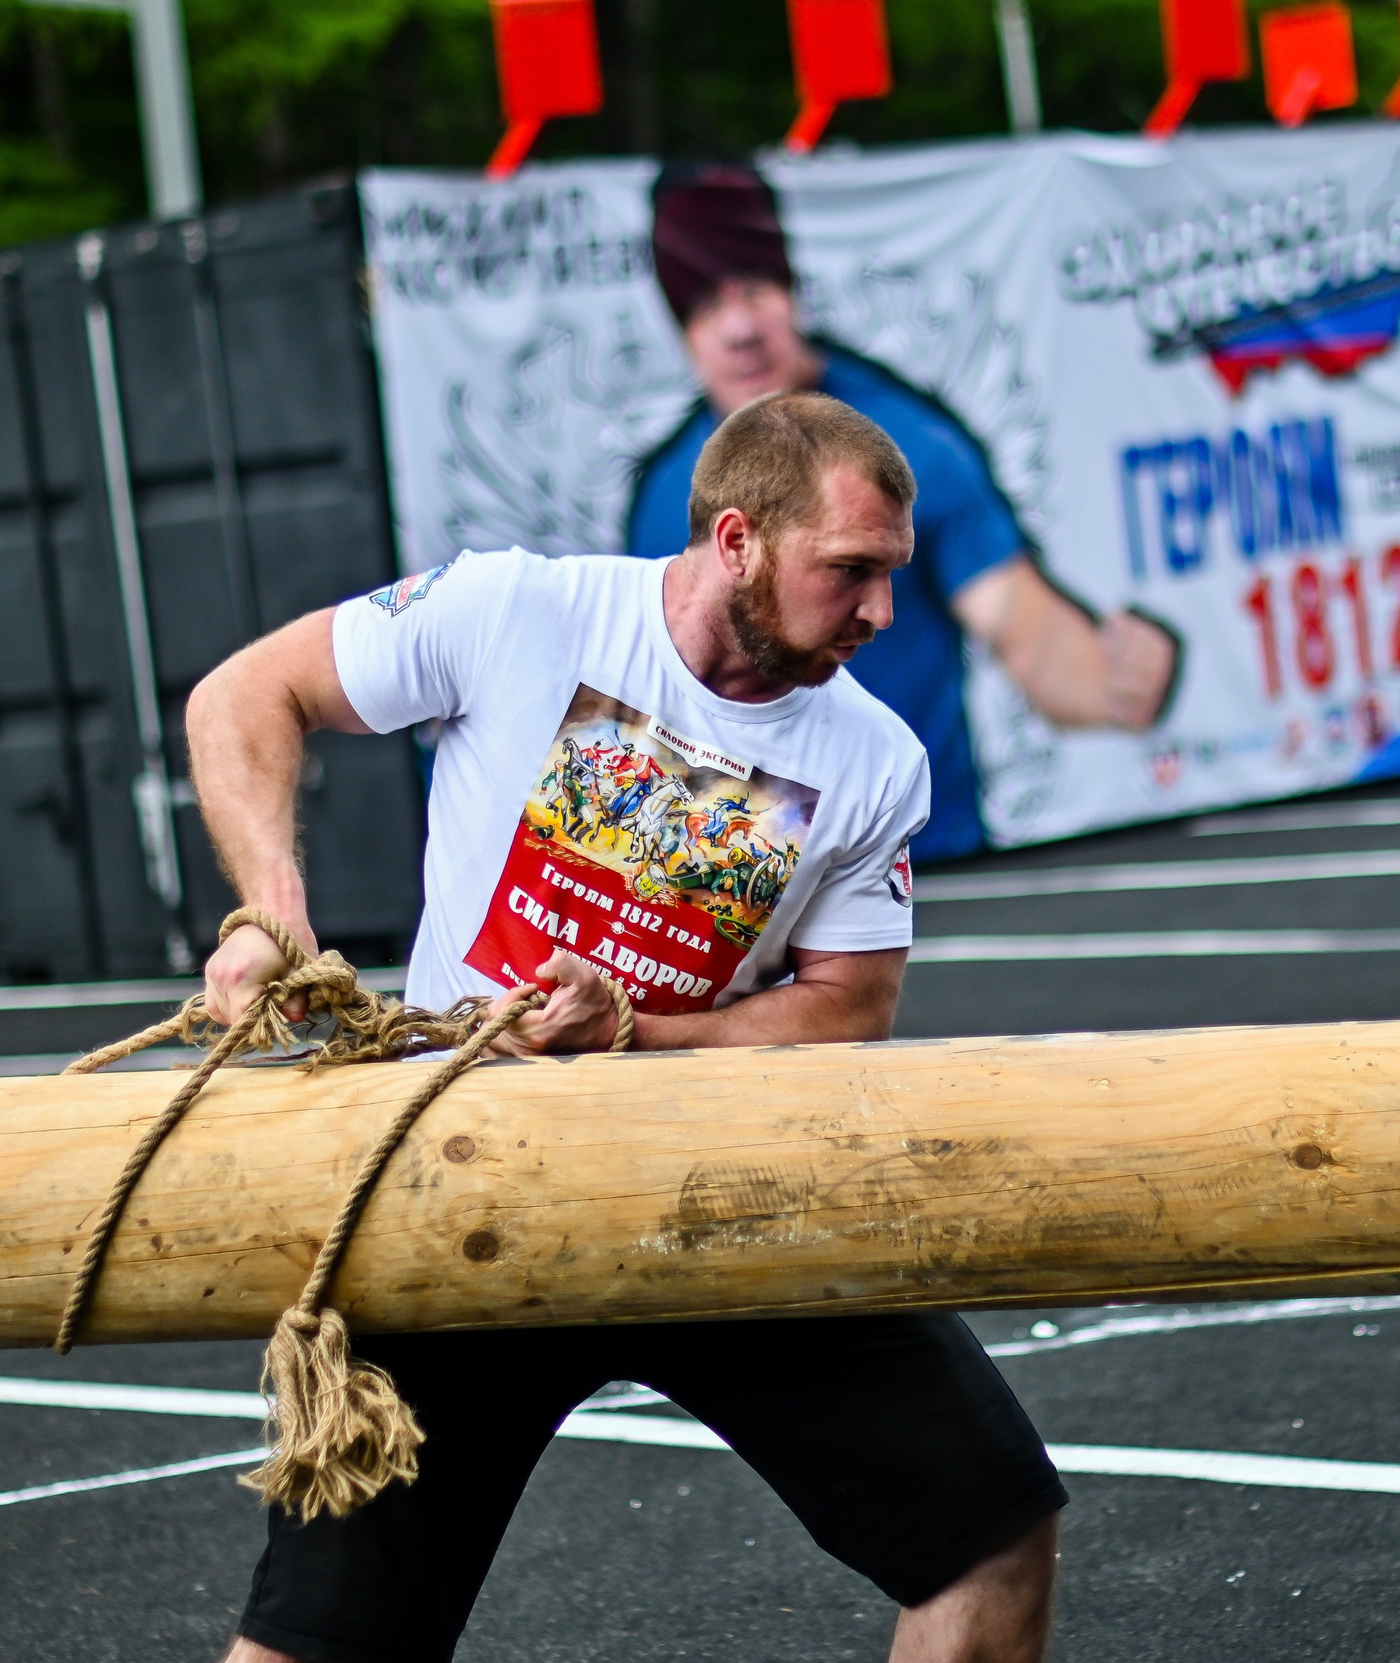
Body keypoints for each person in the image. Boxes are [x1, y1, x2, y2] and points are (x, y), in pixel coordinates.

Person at [187, 390, 1066, 1663]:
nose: (881, 614)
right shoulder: (518, 611)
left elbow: (849, 1003)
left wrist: (639, 1036)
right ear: (735, 540)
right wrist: (269, 914)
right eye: (851, 573)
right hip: (469, 1190)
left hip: (703, 1188)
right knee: (321, 1644)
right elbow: (246, 693)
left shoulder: (875, 758)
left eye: (892, 578)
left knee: (989, 1532)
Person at [627, 162, 1179, 862]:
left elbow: (1019, 622)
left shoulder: (907, 445)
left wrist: (1115, 679)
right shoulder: (661, 497)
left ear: (793, 290)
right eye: (705, 307)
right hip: (740, 898)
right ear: (681, 332)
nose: (739, 328)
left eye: (754, 289)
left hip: (924, 873)